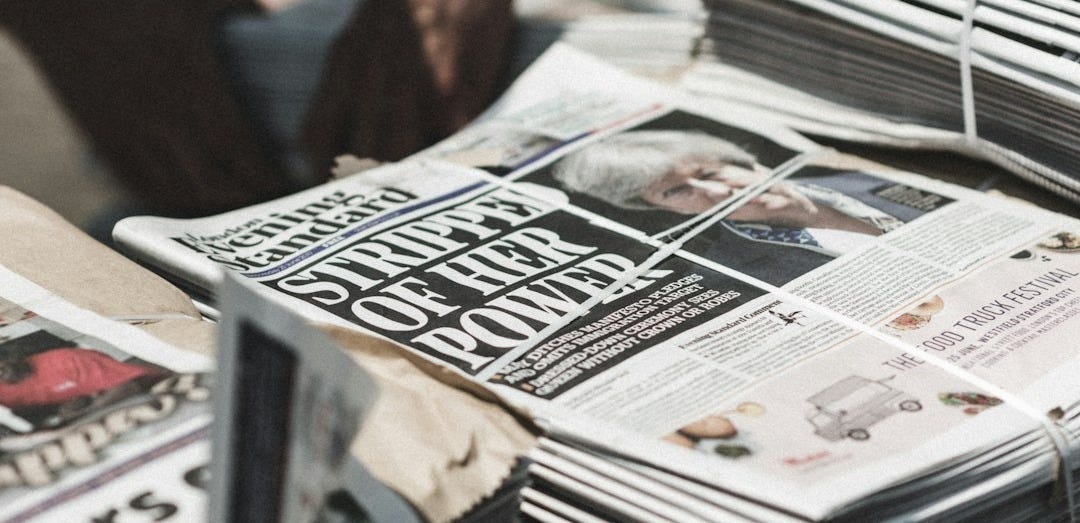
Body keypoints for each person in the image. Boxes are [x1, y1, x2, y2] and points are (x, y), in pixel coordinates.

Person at [553, 130, 922, 284]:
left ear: (744, 162)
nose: (715, 190)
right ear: (676, 212)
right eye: (676, 192)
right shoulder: (733, 270)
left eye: (710, 171)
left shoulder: (869, 178)